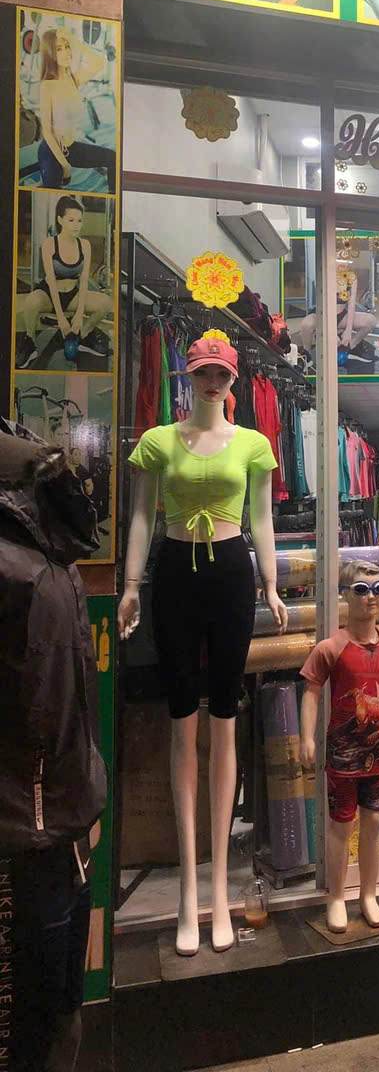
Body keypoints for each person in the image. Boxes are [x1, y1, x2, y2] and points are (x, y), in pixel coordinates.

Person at [118, 331, 288, 955]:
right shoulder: (158, 441)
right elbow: (142, 515)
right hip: (174, 575)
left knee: (224, 720)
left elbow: (261, 518)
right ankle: (188, 891)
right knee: (181, 719)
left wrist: (272, 584)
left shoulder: (253, 444)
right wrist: (130, 585)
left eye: (221, 373)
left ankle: (219, 889)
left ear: (234, 379)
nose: (212, 382)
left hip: (230, 573)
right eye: (202, 372)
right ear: (187, 377)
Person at [0, 420, 106, 1072]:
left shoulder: (48, 551)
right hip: (27, 832)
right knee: (34, 1023)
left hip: (58, 821)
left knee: (58, 1015)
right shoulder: (30, 560)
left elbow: (70, 693)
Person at [299, 560, 379, 932]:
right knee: (341, 824)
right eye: (362, 590)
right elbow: (311, 692)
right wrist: (306, 737)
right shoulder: (330, 648)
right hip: (343, 753)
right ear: (346, 596)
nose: (371, 598)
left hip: (378, 753)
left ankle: (368, 894)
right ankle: (336, 896)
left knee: (374, 822)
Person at [16, 194, 112, 366]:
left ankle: (83, 335)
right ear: (60, 220)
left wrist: (79, 315)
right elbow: (51, 281)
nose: (76, 225)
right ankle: (30, 341)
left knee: (105, 302)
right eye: (71, 220)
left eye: (79, 221)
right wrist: (60, 318)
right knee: (30, 302)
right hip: (49, 295)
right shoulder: (49, 244)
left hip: (72, 295)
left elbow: (84, 280)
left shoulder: (85, 245)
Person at [33, 25, 116, 192]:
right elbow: (47, 131)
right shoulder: (48, 86)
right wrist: (65, 166)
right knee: (54, 192)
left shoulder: (73, 79)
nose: (66, 52)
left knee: (113, 158)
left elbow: (99, 62)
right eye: (59, 49)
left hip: (70, 147)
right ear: (50, 54)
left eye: (67, 47)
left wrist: (73, 40)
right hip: (52, 151)